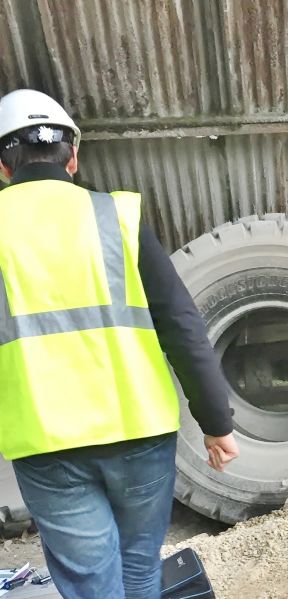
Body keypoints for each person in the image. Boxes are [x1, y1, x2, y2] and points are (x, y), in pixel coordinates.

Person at [0, 89, 240, 599]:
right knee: (138, 571)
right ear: (74, 158)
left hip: (46, 444)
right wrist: (217, 423)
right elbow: (181, 323)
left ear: (3, 165)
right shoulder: (118, 217)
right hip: (139, 432)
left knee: (93, 585)